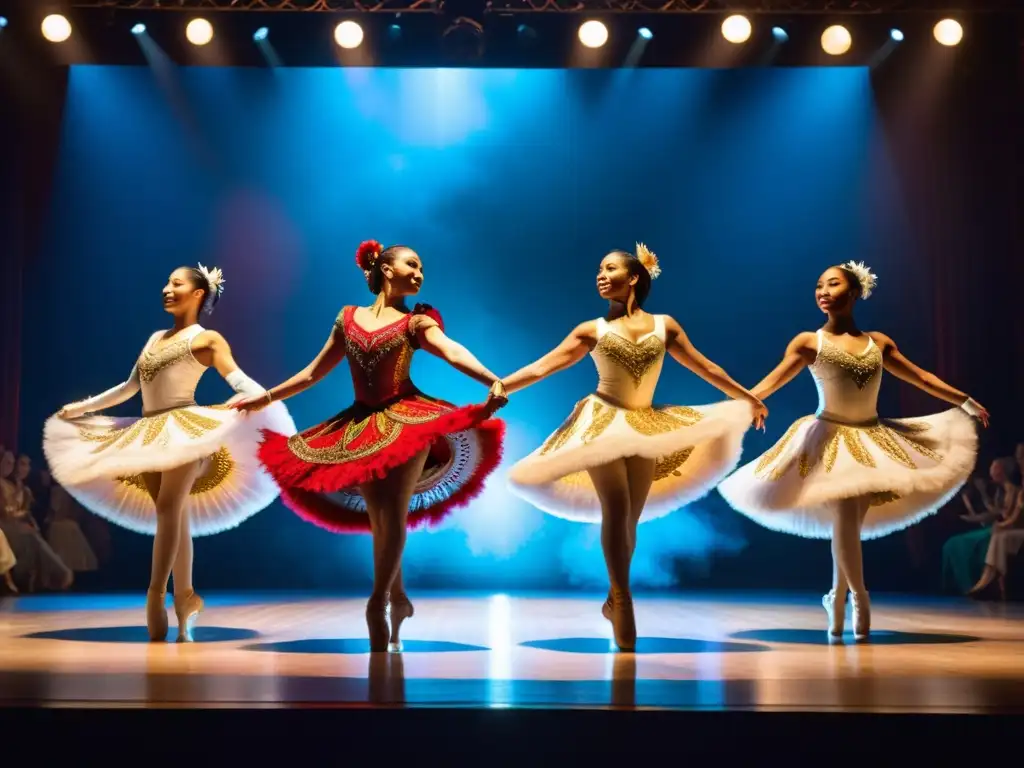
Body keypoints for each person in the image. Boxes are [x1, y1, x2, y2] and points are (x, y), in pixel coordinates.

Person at [234, 241, 507, 652]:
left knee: (392, 514)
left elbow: (452, 352)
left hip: (408, 422)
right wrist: (266, 397)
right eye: (412, 264)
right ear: (384, 267)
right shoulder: (348, 319)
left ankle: (376, 601)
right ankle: (397, 597)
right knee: (381, 519)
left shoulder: (417, 323)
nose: (419, 273)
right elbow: (312, 373)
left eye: (422, 267)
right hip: (360, 426)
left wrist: (492, 379)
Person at [499, 244, 766, 651]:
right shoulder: (591, 330)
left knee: (630, 520)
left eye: (609, 269)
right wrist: (499, 386)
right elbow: (543, 365)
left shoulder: (665, 326)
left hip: (644, 426)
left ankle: (613, 596)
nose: (600, 275)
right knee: (617, 507)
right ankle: (623, 599)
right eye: (598, 270)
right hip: (601, 423)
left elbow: (707, 367)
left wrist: (747, 398)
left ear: (635, 276)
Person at [717, 261, 987, 642]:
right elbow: (774, 379)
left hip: (871, 437)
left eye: (833, 284)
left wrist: (966, 402)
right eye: (818, 286)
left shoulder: (878, 343)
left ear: (855, 292)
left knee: (849, 525)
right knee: (845, 518)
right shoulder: (809, 342)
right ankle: (860, 598)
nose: (823, 291)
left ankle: (837, 597)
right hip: (828, 437)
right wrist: (746, 404)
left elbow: (922, 377)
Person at [44, 265, 296, 641]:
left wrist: (257, 398)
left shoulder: (207, 339)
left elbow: (237, 378)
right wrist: (83, 408)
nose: (166, 289)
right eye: (166, 282)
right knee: (173, 518)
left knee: (167, 508)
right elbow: (129, 388)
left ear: (197, 294)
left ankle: (155, 596)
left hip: (185, 431)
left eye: (176, 284)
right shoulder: (155, 339)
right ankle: (186, 597)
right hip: (146, 434)